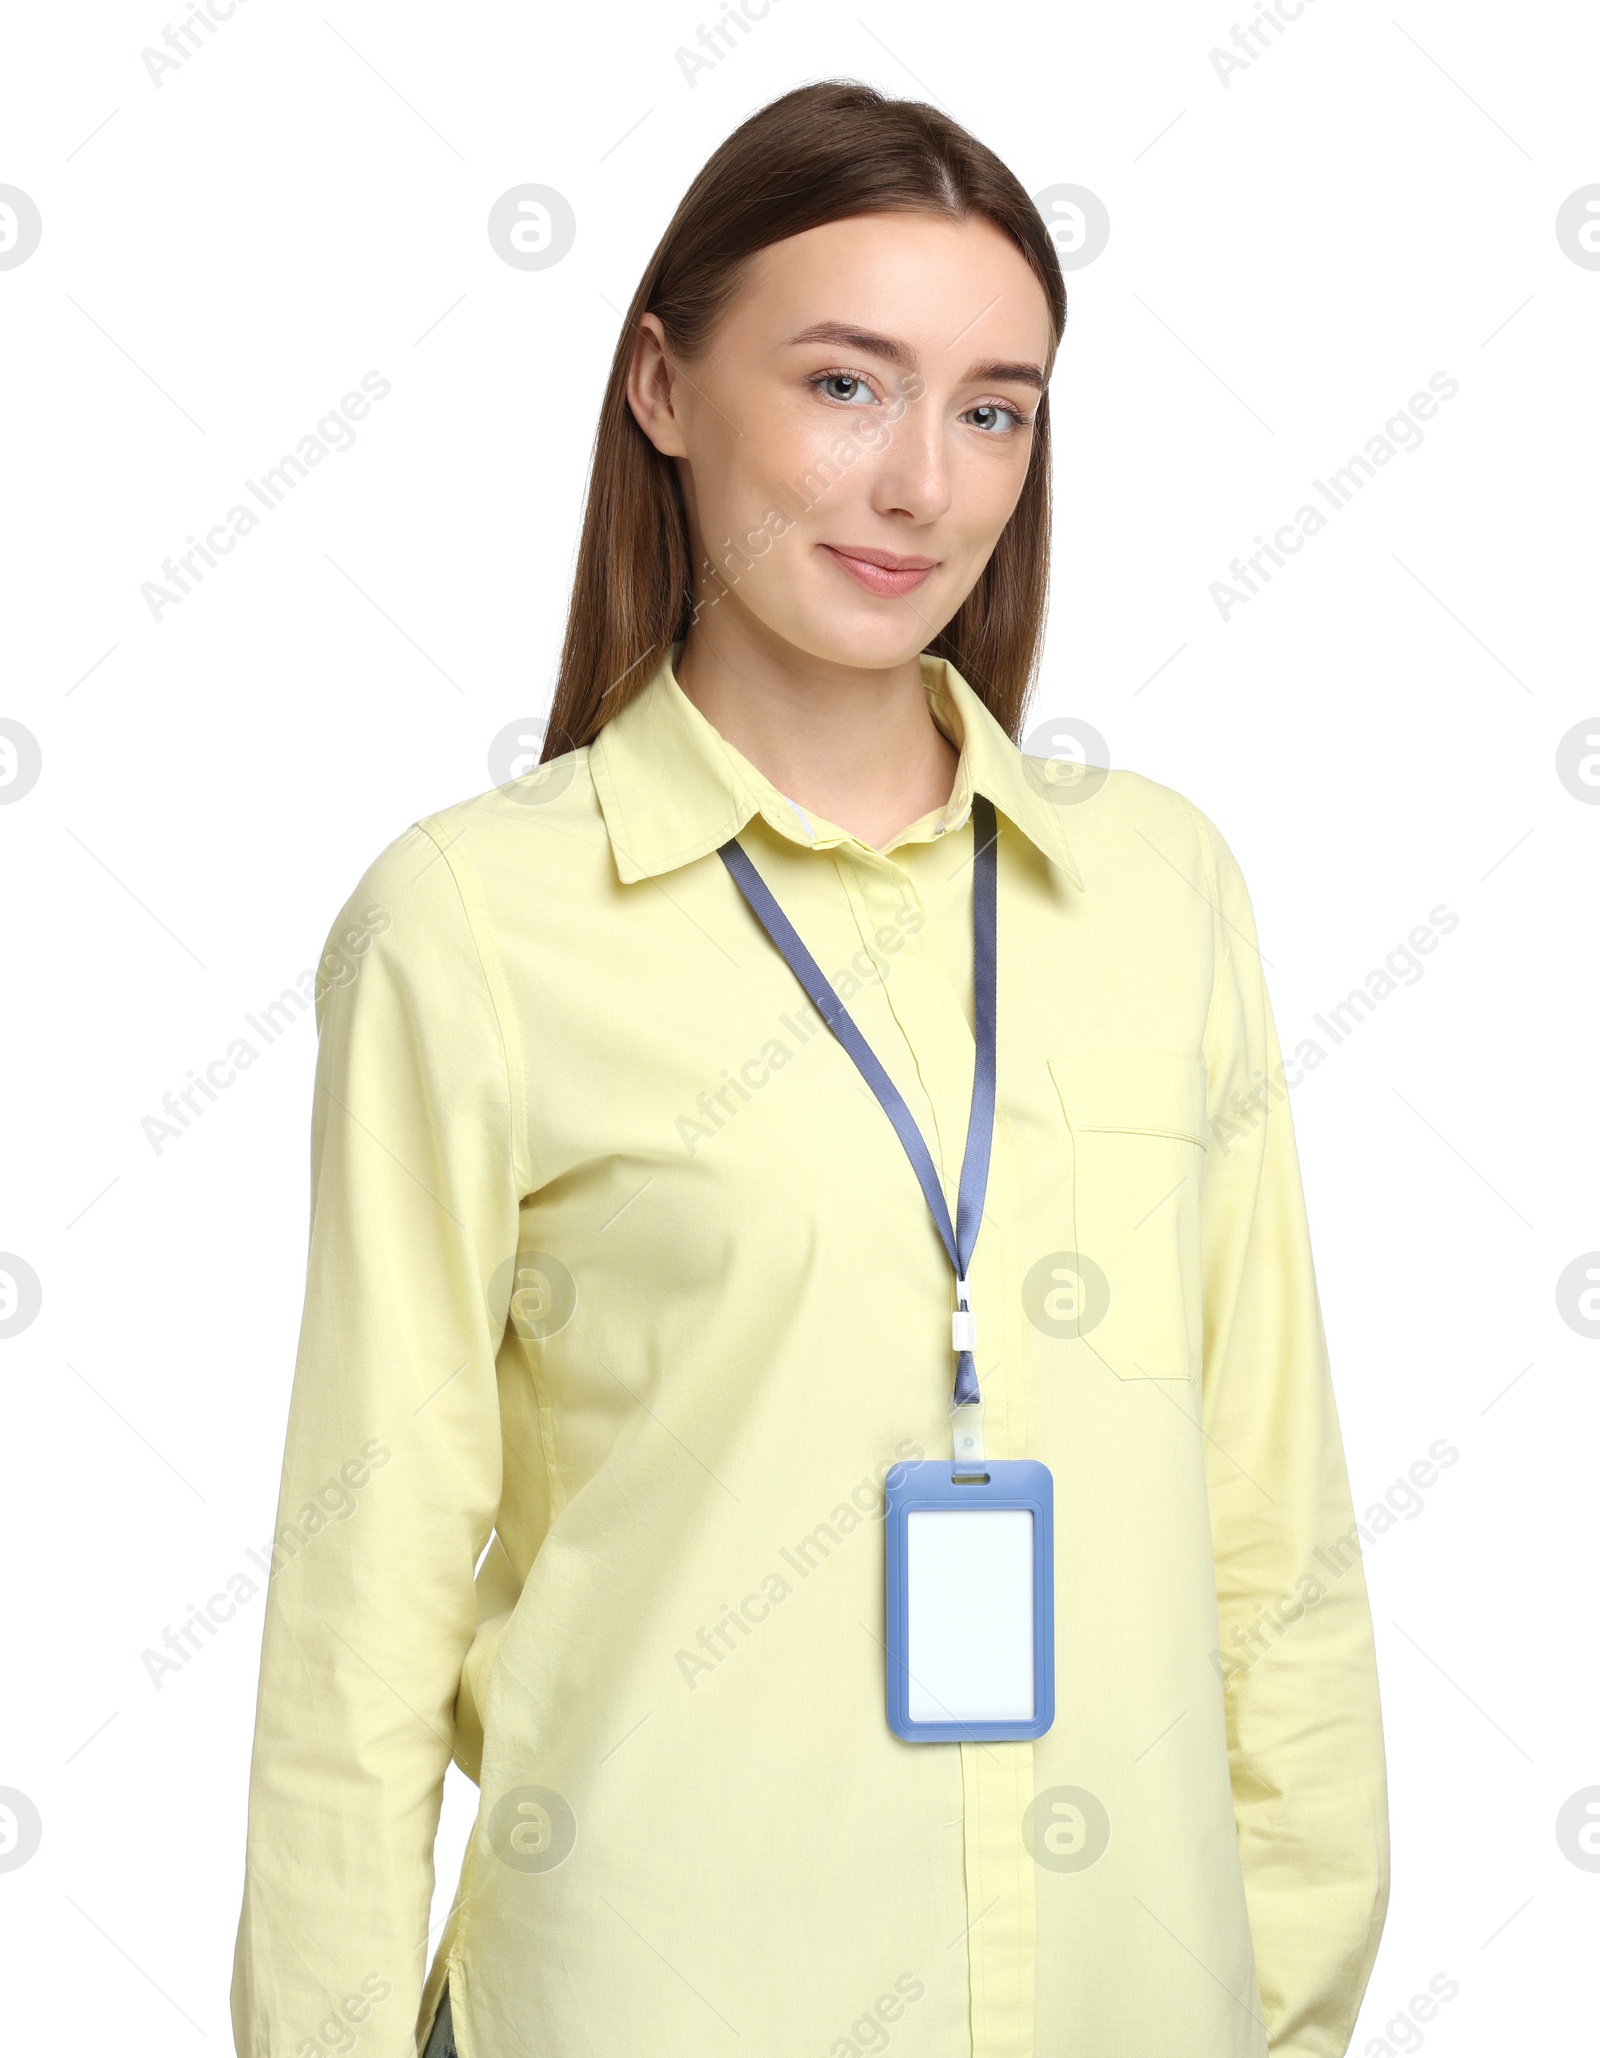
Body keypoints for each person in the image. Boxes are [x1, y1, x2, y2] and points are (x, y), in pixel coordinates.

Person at [231, 79, 1389, 2058]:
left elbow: (1268, 1530)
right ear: (662, 389)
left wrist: (1271, 2005)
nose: (921, 485)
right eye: (845, 386)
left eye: (991, 407)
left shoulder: (1158, 894)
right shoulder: (474, 927)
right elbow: (365, 1600)